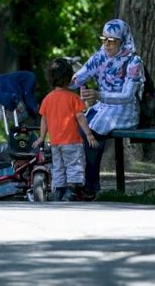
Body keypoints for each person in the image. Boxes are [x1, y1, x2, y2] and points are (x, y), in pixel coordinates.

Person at [72, 19, 146, 200]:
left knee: (92, 131)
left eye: (112, 41)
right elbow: (78, 77)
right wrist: (72, 82)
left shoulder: (134, 61)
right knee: (78, 127)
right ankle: (76, 182)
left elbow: (127, 96)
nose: (107, 44)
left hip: (125, 109)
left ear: (123, 41)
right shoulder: (100, 56)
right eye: (104, 39)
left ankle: (90, 187)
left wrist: (98, 95)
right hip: (103, 106)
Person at [33, 58, 98, 201]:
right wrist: (89, 134)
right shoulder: (73, 98)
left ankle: (58, 191)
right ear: (69, 79)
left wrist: (42, 137)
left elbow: (44, 119)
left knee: (58, 167)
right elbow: (80, 117)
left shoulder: (47, 99)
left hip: (55, 142)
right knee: (74, 165)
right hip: (72, 141)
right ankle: (71, 191)